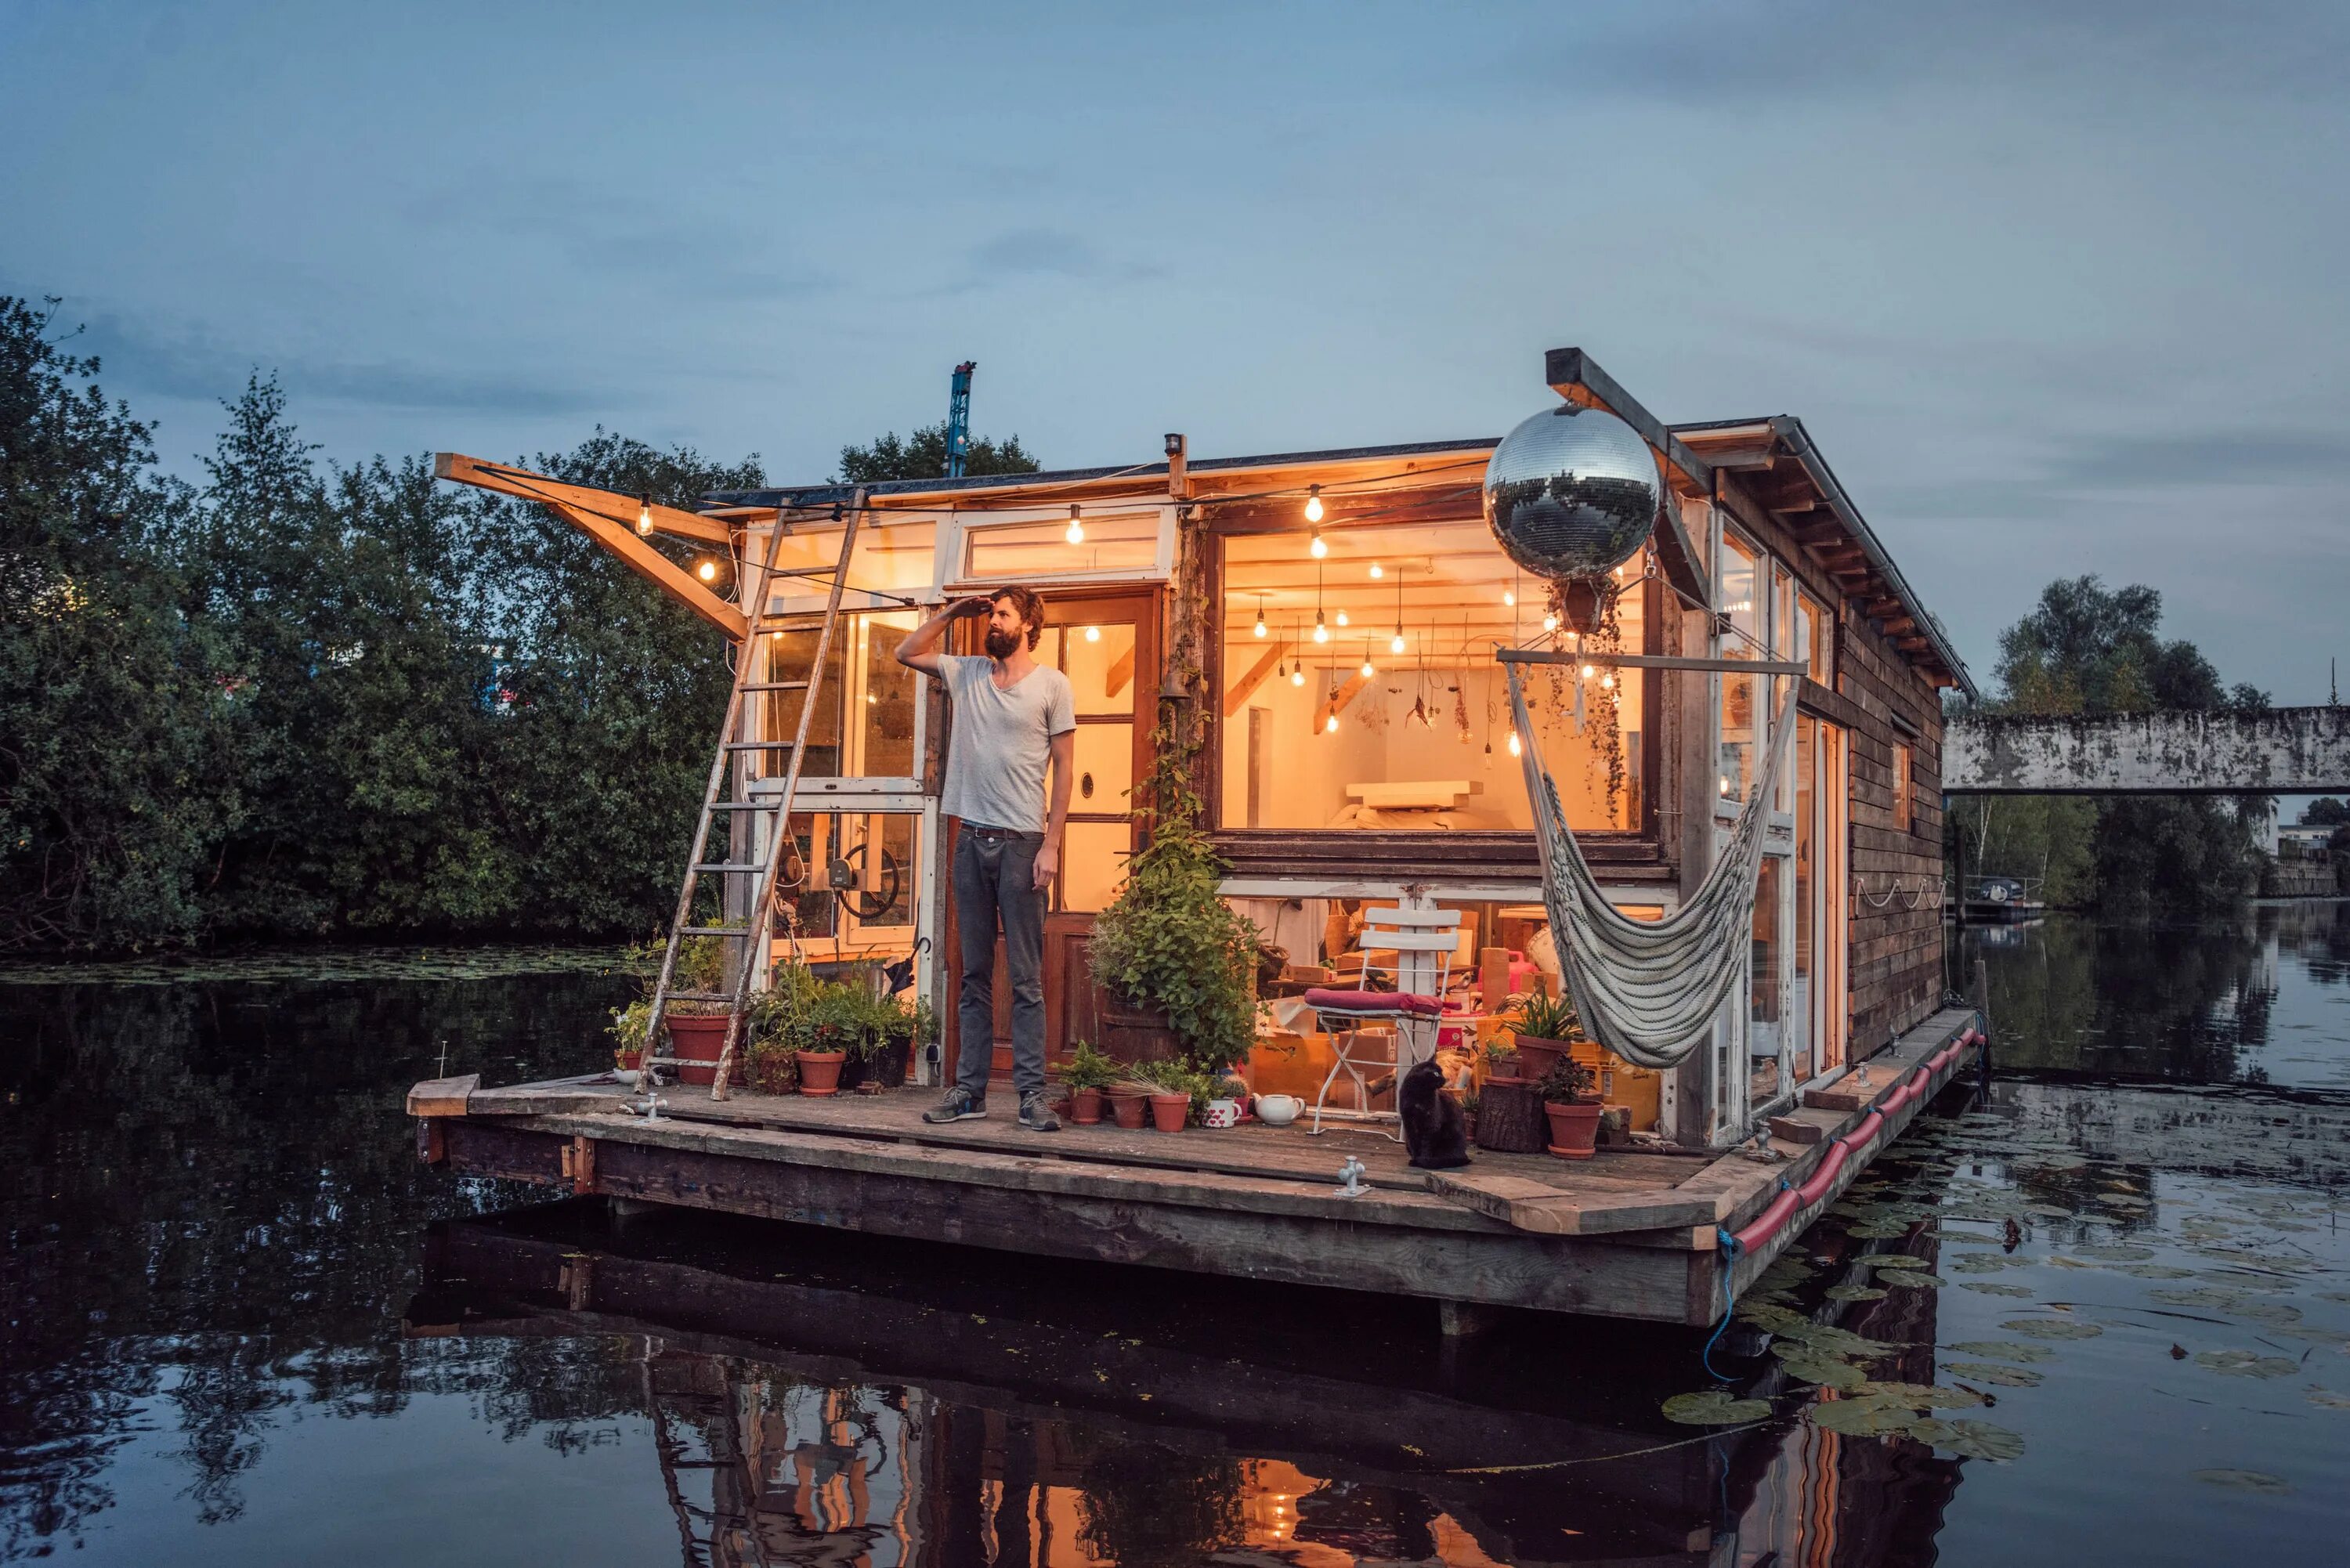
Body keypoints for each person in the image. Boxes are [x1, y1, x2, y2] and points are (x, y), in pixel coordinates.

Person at [895, 585, 1075, 1130]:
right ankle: (969, 1091)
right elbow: (907, 651)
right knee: (972, 973)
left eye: (1002, 615)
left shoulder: (1052, 685)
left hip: (1022, 844)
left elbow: (1066, 767)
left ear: (1027, 625)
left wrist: (1052, 843)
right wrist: (952, 611)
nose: (992, 622)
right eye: (991, 613)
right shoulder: (967, 672)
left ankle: (1030, 1096)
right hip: (970, 842)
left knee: (1025, 978)